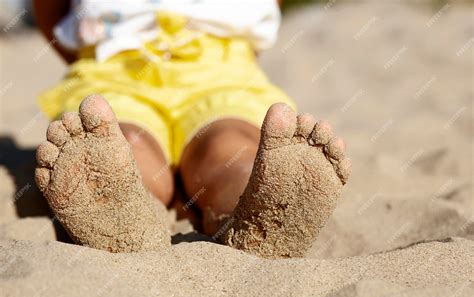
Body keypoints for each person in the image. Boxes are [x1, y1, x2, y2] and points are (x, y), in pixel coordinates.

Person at [33, 0, 351, 258]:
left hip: (221, 66)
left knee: (231, 147)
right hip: (114, 67)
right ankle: (126, 216)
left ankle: (259, 217)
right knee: (121, 141)